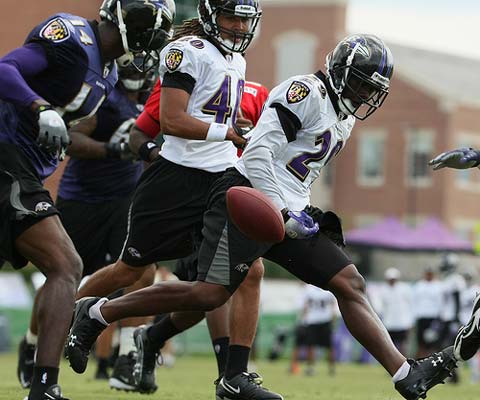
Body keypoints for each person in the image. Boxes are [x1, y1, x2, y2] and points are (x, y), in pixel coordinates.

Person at [66, 34, 458, 400]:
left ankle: (405, 375)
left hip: (290, 210)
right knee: (209, 293)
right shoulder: (304, 93)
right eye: (360, 83)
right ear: (339, 72)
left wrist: (298, 212)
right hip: (247, 199)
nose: (364, 95)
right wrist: (283, 211)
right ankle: (98, 312)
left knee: (349, 282)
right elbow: (256, 155)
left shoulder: (346, 116)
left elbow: (299, 173)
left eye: (372, 90)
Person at [66, 1, 279, 398]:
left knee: (248, 272)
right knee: (130, 271)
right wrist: (227, 133)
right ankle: (72, 317)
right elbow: (173, 120)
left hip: (222, 179)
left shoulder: (237, 59)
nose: (238, 27)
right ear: (212, 15)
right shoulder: (186, 52)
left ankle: (235, 375)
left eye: (245, 20)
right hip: (176, 179)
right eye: (232, 17)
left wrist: (237, 132)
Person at [0, 1, 174, 399]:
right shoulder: (73, 38)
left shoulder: (109, 71)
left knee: (73, 267)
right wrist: (39, 106)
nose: (154, 39)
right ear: (125, 20)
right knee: (66, 265)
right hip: (7, 157)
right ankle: (44, 385)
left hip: (26, 168)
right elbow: (5, 69)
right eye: (151, 26)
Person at [290, 284, 337, 376]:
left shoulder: (309, 289)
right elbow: (333, 306)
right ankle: (331, 368)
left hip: (313, 320)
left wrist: (302, 320)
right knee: (328, 346)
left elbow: (305, 306)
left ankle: (311, 367)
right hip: (324, 320)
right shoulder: (328, 290)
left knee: (312, 345)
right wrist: (333, 319)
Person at [378, 268, 414, 356]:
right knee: (390, 346)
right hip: (389, 323)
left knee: (403, 345)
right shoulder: (383, 290)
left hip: (402, 322)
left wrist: (410, 321)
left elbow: (410, 305)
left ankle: (405, 364)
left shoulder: (404, 289)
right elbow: (381, 308)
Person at [413, 267, 443, 358]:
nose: (429, 275)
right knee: (421, 343)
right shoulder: (419, 285)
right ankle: (421, 362)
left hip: (434, 317)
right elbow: (414, 302)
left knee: (433, 342)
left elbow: (441, 302)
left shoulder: (439, 285)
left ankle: (433, 362)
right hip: (421, 317)